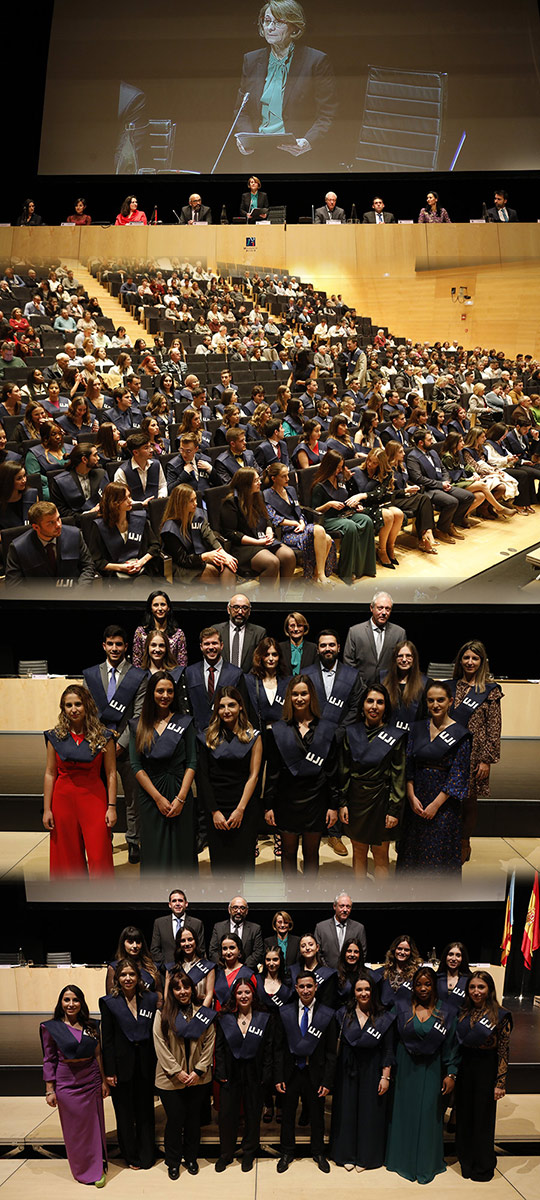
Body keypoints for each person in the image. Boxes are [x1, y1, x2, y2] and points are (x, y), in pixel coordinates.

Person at [234, 1, 337, 166]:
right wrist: (244, 138)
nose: (270, 27)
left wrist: (309, 141)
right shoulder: (251, 60)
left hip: (297, 154)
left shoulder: (316, 61)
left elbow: (328, 114)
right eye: (267, 21)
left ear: (294, 27)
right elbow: (241, 110)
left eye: (279, 22)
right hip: (256, 154)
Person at [385, 967, 459, 1184]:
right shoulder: (401, 1008)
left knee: (428, 1116)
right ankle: (401, 1160)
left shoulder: (446, 1012)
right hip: (405, 1069)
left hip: (432, 1069)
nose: (423, 988)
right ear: (413, 986)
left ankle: (426, 1163)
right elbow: (388, 1037)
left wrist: (451, 1073)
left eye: (428, 984)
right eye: (419, 984)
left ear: (434, 985)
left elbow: (451, 1045)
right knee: (404, 1114)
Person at [83, 624, 147, 864]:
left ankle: (133, 840)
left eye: (119, 644)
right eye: (110, 644)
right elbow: (87, 713)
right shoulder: (91, 675)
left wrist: (120, 743)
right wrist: (102, 743)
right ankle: (104, 838)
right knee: (100, 797)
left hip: (127, 746)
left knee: (133, 797)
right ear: (103, 646)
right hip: (98, 747)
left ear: (126, 647)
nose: (114, 648)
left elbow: (139, 715)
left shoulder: (137, 676)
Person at [264, 676, 338, 875]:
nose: (299, 698)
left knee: (312, 854)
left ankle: (309, 901)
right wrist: (269, 805)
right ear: (289, 697)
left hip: (316, 800)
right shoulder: (277, 730)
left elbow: (331, 771)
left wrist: (333, 806)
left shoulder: (327, 729)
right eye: (295, 694)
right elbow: (273, 770)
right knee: (288, 854)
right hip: (286, 800)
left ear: (311, 696)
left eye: (303, 693)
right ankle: (291, 899)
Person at [397, 680, 472, 874]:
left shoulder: (461, 734)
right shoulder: (417, 728)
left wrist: (435, 805)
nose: (435, 705)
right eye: (431, 701)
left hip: (444, 805)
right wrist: (412, 797)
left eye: (440, 700)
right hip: (418, 799)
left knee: (439, 857)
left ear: (451, 702)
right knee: (413, 853)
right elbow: (410, 764)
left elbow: (459, 774)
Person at [42, 685, 116, 877]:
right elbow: (50, 773)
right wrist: (47, 809)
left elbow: (111, 774)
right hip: (63, 800)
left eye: (78, 704)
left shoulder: (104, 736)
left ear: (87, 706)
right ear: (63, 709)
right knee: (66, 858)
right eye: (68, 705)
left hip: (94, 799)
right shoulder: (55, 737)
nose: (73, 709)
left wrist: (112, 806)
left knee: (100, 856)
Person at [129, 671, 197, 872]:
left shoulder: (185, 722)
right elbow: (136, 766)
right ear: (151, 693)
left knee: (182, 849)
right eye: (160, 691)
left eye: (169, 691)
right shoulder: (138, 725)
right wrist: (158, 798)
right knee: (154, 850)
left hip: (180, 792)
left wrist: (181, 798)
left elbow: (192, 762)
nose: (165, 695)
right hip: (151, 796)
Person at [40, 985, 107, 1187]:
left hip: (91, 1080)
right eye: (67, 1000)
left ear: (82, 1003)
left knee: (94, 1126)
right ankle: (84, 1170)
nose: (71, 1004)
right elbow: (49, 1059)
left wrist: (103, 1081)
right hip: (67, 1083)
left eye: (75, 1000)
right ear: (61, 1003)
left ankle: (98, 1165)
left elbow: (97, 1054)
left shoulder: (92, 1025)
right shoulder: (50, 1027)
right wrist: (50, 1090)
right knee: (75, 1129)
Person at [153, 968, 216, 1179]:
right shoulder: (162, 1014)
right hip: (170, 1079)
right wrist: (177, 1071)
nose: (182, 991)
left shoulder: (203, 1013)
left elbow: (209, 1043)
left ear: (192, 988)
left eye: (186, 987)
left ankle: (191, 1158)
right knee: (175, 1119)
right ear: (171, 990)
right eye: (177, 988)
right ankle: (172, 1161)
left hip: (197, 1078)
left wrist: (198, 1071)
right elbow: (160, 1045)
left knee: (192, 1120)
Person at [338, 684, 407, 878]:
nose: (374, 706)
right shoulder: (350, 733)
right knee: (358, 852)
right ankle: (360, 901)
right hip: (356, 800)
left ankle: (378, 903)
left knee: (380, 854)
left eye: (380, 702)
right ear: (362, 706)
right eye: (370, 701)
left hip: (382, 801)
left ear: (386, 708)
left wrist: (393, 810)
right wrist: (342, 803)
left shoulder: (395, 736)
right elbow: (343, 771)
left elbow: (398, 775)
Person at [274, 970, 337, 1174]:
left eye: (309, 986)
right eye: (301, 986)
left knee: (317, 1116)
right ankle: (287, 1152)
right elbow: (278, 1048)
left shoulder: (326, 1014)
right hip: (291, 1073)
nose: (306, 990)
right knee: (288, 1115)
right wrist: (279, 1076)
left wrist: (327, 1081)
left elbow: (330, 1052)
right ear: (296, 988)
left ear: (316, 987)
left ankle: (318, 1153)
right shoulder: (285, 1012)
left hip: (315, 1073)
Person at [331, 973, 395, 1171]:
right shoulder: (343, 1014)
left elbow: (388, 1049)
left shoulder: (384, 1016)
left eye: (367, 989)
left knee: (370, 1113)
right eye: (359, 989)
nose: (363, 993)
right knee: (346, 1111)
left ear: (373, 991)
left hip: (373, 1069)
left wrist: (386, 1076)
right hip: (347, 1069)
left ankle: (367, 1157)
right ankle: (346, 1154)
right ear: (354, 992)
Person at [448, 640, 503, 864]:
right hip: (450, 751)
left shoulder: (490, 690)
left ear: (482, 662)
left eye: (475, 658)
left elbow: (494, 727)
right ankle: (449, 840)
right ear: (460, 660)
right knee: (449, 799)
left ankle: (464, 842)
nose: (470, 662)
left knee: (469, 802)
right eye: (466, 657)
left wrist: (487, 760)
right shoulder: (449, 687)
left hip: (475, 755)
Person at [197, 687, 263, 872]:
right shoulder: (206, 737)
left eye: (232, 705)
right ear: (216, 710)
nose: (226, 710)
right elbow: (203, 777)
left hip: (244, 808)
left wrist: (240, 810)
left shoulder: (253, 737)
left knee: (244, 863)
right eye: (221, 706)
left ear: (241, 707)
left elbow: (254, 775)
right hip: (216, 809)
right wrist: (214, 811)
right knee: (220, 863)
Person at [455, 971, 513, 1181]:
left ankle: (483, 1165)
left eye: (481, 987)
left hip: (486, 1071)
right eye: (472, 987)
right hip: (464, 1068)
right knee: (464, 1117)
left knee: (483, 1119)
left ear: (489, 989)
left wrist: (500, 1082)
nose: (476, 991)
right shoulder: (462, 1012)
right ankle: (466, 1161)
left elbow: (504, 1051)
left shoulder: (500, 1015)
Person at [99, 961, 157, 1170]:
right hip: (120, 1067)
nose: (128, 978)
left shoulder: (150, 999)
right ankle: (131, 1155)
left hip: (145, 1064)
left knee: (145, 1112)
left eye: (132, 974)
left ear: (138, 977)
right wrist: (109, 1071)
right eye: (123, 975)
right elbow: (108, 1040)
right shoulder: (109, 1003)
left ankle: (147, 1154)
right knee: (124, 1113)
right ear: (117, 979)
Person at [215, 978, 274, 1172]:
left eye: (247, 992)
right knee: (227, 1116)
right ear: (234, 995)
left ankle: (249, 1152)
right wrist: (221, 1071)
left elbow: (268, 1048)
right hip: (230, 1074)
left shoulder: (263, 1017)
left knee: (252, 1113)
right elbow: (220, 1048)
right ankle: (226, 1154)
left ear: (253, 994)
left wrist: (266, 1073)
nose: (243, 996)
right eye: (239, 993)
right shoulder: (224, 1018)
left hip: (255, 1073)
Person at [221, 467, 297, 585]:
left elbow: (267, 519)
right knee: (272, 562)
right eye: (256, 480)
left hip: (262, 538)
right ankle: (266, 600)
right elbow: (231, 533)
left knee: (288, 556)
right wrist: (258, 542)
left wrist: (269, 530)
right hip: (244, 547)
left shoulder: (258, 495)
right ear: (246, 484)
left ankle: (282, 596)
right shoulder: (231, 502)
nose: (260, 482)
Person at [263, 460, 335, 584]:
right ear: (274, 478)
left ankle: (316, 576)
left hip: (302, 528)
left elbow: (299, 510)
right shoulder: (267, 494)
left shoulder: (290, 490)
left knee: (327, 539)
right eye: (283, 476)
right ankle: (320, 576)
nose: (287, 478)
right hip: (288, 534)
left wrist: (301, 521)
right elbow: (273, 518)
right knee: (320, 531)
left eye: (288, 475)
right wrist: (295, 524)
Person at [311, 450, 376, 584]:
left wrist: (354, 505)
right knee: (350, 527)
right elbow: (313, 510)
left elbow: (346, 499)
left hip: (343, 515)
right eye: (337, 467)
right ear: (330, 466)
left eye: (341, 466)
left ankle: (363, 567)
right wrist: (329, 504)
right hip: (327, 520)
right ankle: (346, 571)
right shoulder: (320, 486)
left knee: (366, 520)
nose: (339, 470)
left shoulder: (341, 480)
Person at [5, 501, 95, 588]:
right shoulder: (18, 548)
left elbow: (88, 566)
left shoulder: (75, 535)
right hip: (38, 600)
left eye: (58, 519)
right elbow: (13, 584)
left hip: (73, 594)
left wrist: (79, 592)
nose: (58, 525)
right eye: (51, 522)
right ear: (36, 527)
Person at [160, 484, 238, 585]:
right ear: (181, 504)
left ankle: (227, 598)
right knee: (212, 572)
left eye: (195, 499)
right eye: (191, 501)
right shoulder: (169, 529)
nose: (196, 504)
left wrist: (223, 554)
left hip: (202, 557)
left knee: (228, 566)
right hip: (183, 567)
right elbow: (183, 560)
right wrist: (205, 556)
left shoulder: (198, 515)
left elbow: (210, 537)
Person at [87, 482, 161, 580]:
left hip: (143, 571)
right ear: (114, 502)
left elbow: (155, 546)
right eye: (125, 499)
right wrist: (121, 568)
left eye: (129, 496)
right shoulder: (99, 527)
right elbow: (97, 561)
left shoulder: (139, 519)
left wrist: (141, 562)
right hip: (115, 577)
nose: (130, 501)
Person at [183, 626, 246, 733]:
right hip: (197, 734)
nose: (211, 647)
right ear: (201, 647)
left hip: (226, 734)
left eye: (214, 643)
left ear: (221, 645)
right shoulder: (190, 672)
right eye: (207, 644)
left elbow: (242, 707)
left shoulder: (236, 673)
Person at [384, 440, 439, 553]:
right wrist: (405, 491)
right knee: (423, 499)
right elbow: (388, 493)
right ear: (393, 453)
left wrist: (410, 488)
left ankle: (424, 536)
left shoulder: (401, 466)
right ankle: (426, 534)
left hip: (404, 497)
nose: (404, 453)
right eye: (400, 452)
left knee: (423, 500)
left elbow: (404, 483)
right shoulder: (387, 470)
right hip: (393, 500)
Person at [343, 592, 407, 683]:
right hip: (361, 688)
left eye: (387, 609)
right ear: (371, 608)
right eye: (380, 608)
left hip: (389, 686)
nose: (384, 612)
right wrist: (358, 685)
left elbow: (401, 662)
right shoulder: (355, 632)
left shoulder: (399, 633)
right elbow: (349, 662)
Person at [49, 443, 107, 524]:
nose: (98, 458)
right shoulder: (60, 481)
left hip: (102, 520)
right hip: (76, 524)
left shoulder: (101, 474)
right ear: (84, 459)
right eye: (95, 455)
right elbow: (61, 510)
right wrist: (86, 516)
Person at [132, 590, 187, 669]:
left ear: (168, 608)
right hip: (146, 677)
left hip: (171, 677)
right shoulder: (141, 632)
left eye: (163, 604)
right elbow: (137, 661)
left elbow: (182, 663)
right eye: (156, 605)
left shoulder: (178, 634)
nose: (160, 608)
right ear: (151, 608)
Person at [106, 927, 163, 1002]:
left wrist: (158, 1009)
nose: (135, 946)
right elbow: (110, 998)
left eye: (138, 942)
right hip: (123, 1011)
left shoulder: (151, 967)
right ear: (123, 943)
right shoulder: (114, 967)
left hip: (149, 1011)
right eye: (130, 942)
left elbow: (159, 993)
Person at [150, 888, 206, 964]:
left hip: (190, 970)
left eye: (180, 900)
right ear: (170, 905)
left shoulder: (197, 923)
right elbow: (154, 950)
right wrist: (167, 966)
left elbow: (200, 949)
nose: (177, 904)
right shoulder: (159, 923)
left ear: (186, 904)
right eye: (174, 901)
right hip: (166, 969)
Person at [382, 640, 428, 731]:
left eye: (408, 656)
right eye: (400, 656)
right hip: (385, 735)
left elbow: (426, 716)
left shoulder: (425, 684)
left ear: (414, 658)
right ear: (394, 659)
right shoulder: (382, 680)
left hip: (413, 737)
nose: (404, 660)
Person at [209, 897, 264, 970]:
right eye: (235, 908)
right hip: (223, 971)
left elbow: (258, 952)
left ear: (246, 911)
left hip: (246, 971)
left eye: (242, 908)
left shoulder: (255, 929)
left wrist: (241, 968)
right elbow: (212, 951)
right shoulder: (219, 927)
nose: (238, 911)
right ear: (229, 910)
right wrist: (224, 966)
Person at [313, 893, 367, 967]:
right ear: (334, 906)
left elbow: (362, 953)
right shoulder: (321, 927)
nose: (345, 910)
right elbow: (317, 953)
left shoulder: (359, 928)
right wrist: (327, 971)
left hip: (351, 974)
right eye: (342, 906)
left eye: (348, 907)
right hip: (327, 974)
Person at [372, 934, 423, 1006]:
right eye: (399, 948)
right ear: (394, 950)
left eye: (406, 950)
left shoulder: (418, 973)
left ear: (411, 952)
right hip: (385, 1014)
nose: (402, 952)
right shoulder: (382, 972)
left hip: (407, 1014)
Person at [213, 934, 258, 1007]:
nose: (228, 952)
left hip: (239, 1015)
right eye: (225, 948)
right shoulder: (216, 973)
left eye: (232, 948)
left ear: (239, 950)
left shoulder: (248, 974)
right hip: (218, 1015)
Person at [0, 462, 38, 531]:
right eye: (19, 478)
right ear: (8, 481)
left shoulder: (31, 495)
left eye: (24, 476)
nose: (24, 480)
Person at [436, 942, 471, 1013]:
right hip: (437, 1019)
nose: (454, 959)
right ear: (445, 956)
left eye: (458, 955)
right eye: (450, 954)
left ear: (462, 958)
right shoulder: (436, 978)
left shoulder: (469, 980)